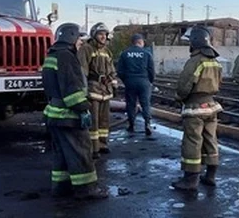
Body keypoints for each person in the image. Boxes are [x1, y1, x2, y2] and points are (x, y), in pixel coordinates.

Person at [42, 23, 108, 200]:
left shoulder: (52, 55)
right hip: (68, 116)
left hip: (54, 114)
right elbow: (73, 91)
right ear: (71, 37)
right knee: (80, 152)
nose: (80, 42)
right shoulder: (67, 57)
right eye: (79, 38)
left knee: (62, 155)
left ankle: (61, 187)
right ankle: (86, 189)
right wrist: (84, 108)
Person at [171, 25, 223, 192]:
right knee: (210, 139)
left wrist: (179, 97)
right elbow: (219, 83)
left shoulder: (195, 61)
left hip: (195, 108)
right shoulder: (215, 62)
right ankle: (211, 176)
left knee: (192, 141)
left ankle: (191, 179)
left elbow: (184, 85)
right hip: (211, 106)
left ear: (194, 42)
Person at [77, 22, 119, 157]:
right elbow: (82, 70)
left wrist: (113, 83)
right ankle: (93, 148)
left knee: (104, 121)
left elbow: (112, 70)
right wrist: (82, 91)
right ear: (94, 35)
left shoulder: (107, 51)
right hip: (93, 89)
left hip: (105, 91)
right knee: (93, 121)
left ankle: (103, 144)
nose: (103, 37)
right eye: (100, 34)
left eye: (105, 34)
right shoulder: (87, 49)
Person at [116, 33, 155, 136]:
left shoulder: (125, 53)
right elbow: (151, 70)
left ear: (132, 42)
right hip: (144, 81)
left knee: (131, 104)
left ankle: (131, 124)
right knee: (145, 103)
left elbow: (119, 70)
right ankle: (147, 124)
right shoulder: (146, 54)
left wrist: (126, 80)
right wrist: (150, 81)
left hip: (130, 81)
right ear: (141, 42)